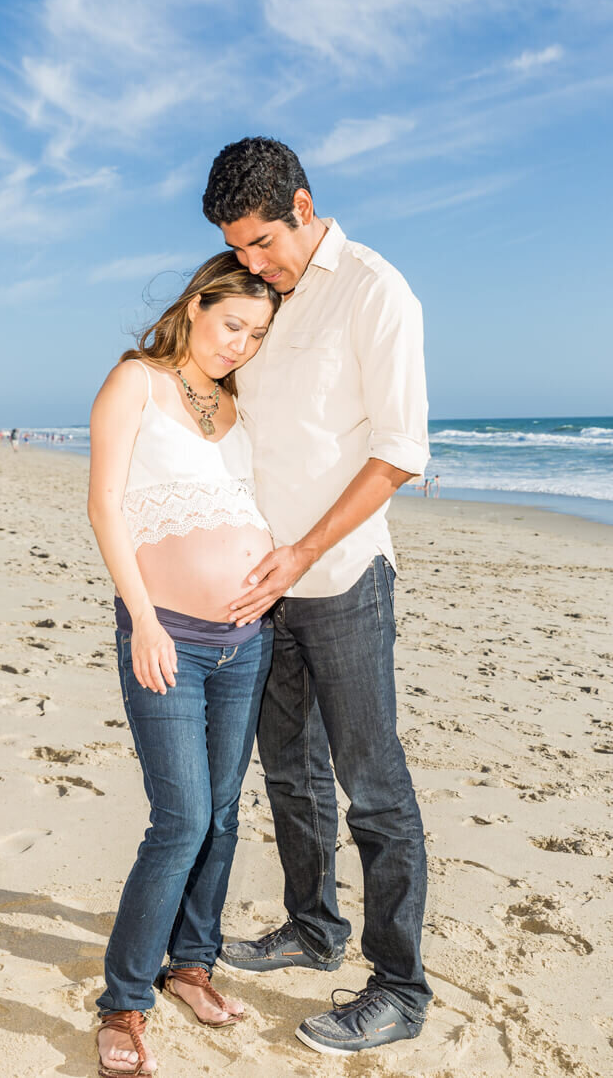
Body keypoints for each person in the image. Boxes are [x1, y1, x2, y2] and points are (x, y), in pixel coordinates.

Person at [202, 137, 432, 1058]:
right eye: (239, 247)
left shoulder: (375, 290)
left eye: (262, 241)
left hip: (338, 579)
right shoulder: (263, 299)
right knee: (288, 774)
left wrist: (301, 552)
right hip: (265, 589)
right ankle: (310, 929)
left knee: (372, 788)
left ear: (303, 204)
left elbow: (397, 453)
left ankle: (399, 985)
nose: (251, 263)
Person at [87, 251, 280, 1076]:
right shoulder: (136, 379)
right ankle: (124, 1003)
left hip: (247, 642)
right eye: (232, 323)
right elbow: (104, 504)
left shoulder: (238, 401)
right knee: (181, 819)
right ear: (196, 305)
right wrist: (142, 621)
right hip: (165, 633)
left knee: (226, 814)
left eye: (257, 334)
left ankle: (191, 963)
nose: (241, 344)